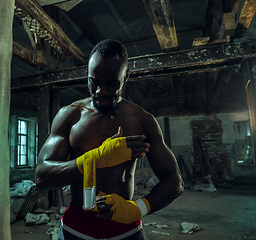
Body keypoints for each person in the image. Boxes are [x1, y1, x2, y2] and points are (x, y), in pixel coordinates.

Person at [35, 39, 184, 240]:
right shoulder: (70, 115)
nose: (100, 92)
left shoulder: (142, 120)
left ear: (126, 76)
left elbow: (174, 181)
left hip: (126, 228)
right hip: (77, 226)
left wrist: (136, 209)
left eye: (111, 84)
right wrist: (94, 159)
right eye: (93, 82)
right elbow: (42, 176)